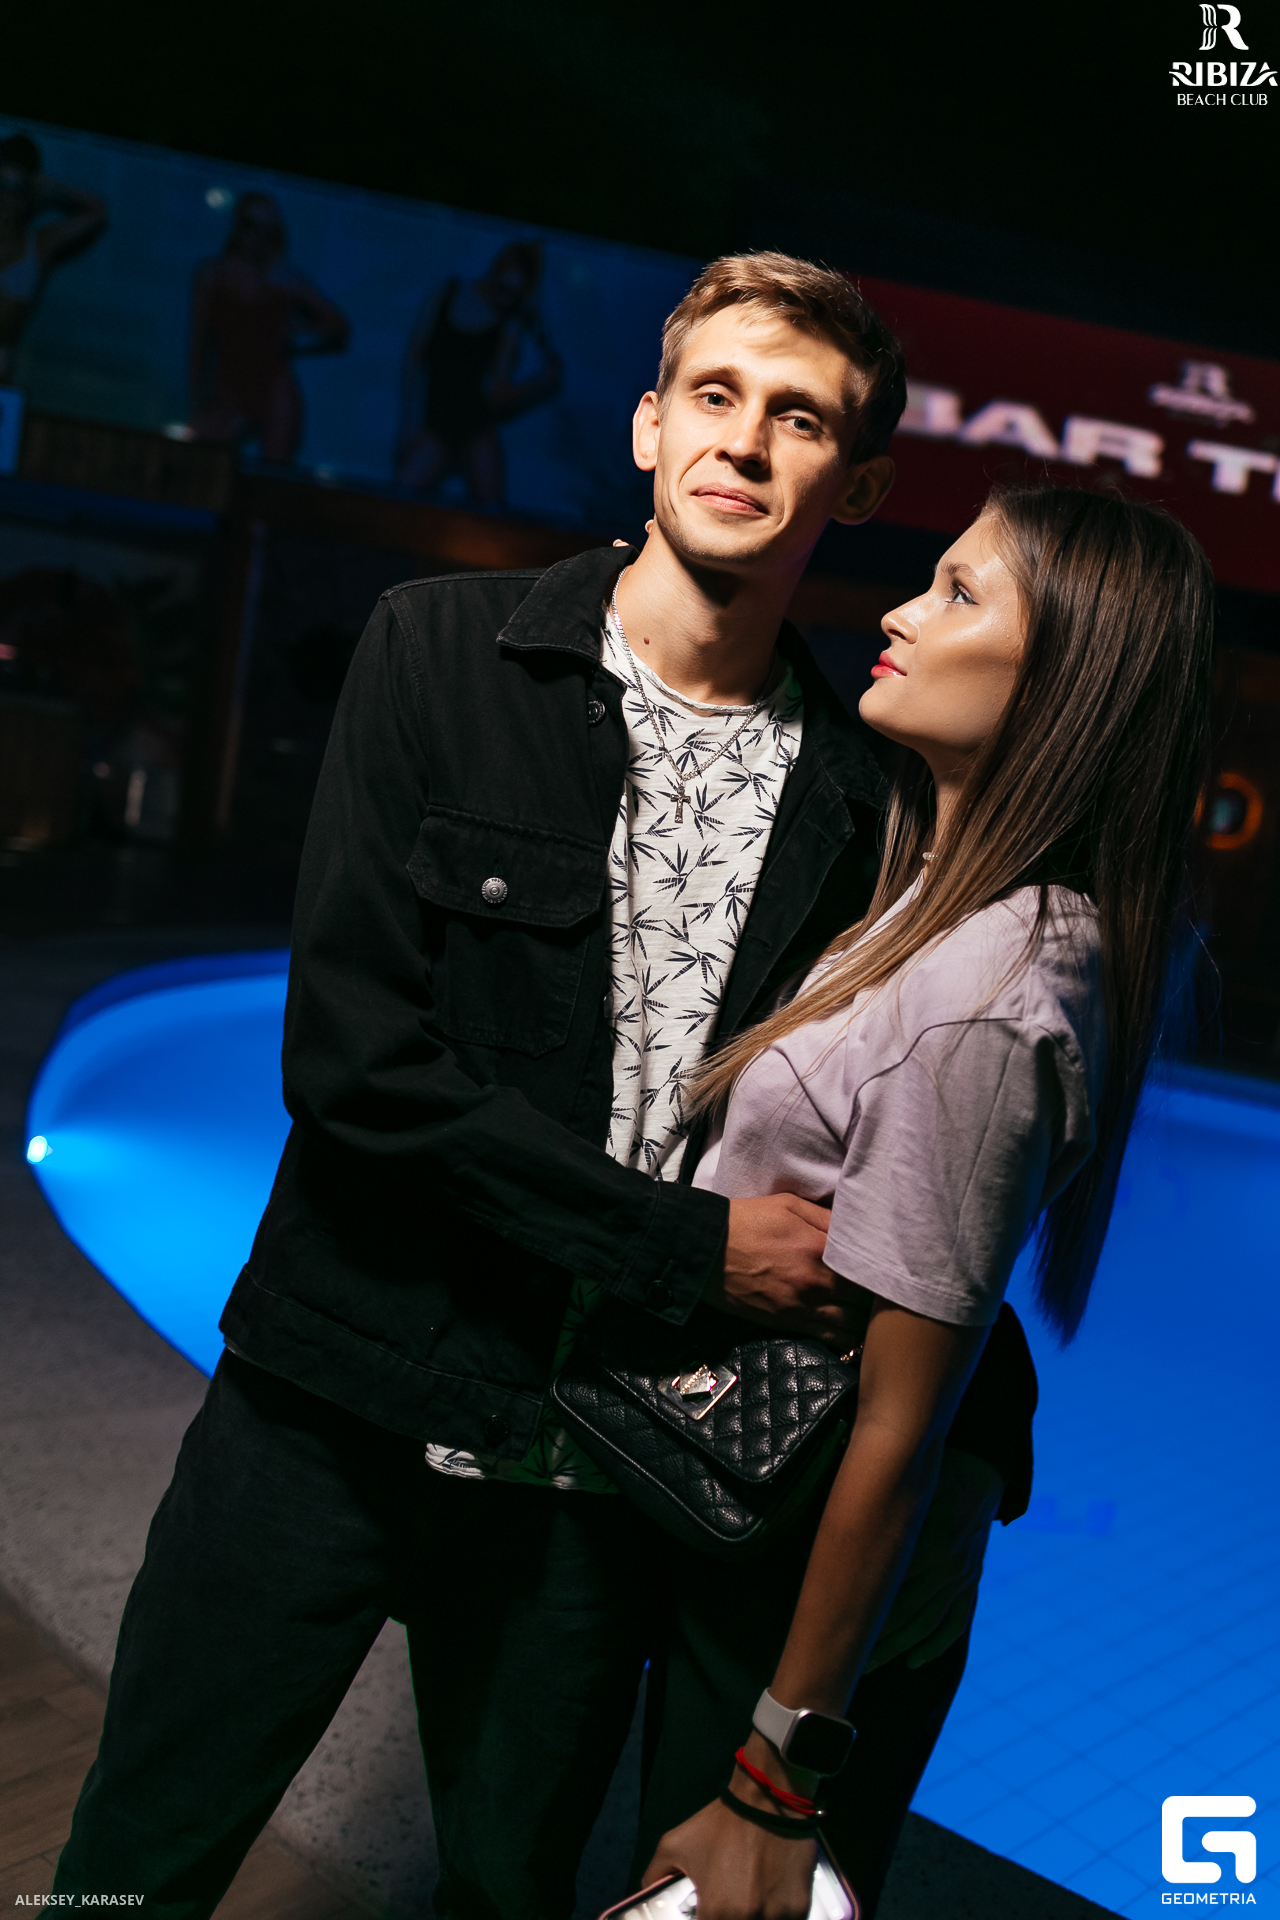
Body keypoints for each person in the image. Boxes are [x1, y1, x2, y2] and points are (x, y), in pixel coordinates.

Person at [53, 252, 1035, 1919]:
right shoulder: (438, 652)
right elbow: (353, 1068)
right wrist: (687, 1251)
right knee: (132, 1869)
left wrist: (963, 1423)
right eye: (714, 395)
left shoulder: (861, 799)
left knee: (507, 1895)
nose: (743, 441)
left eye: (798, 419)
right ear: (651, 428)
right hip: (331, 1409)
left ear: (856, 487)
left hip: (588, 1488)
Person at [634, 484, 1214, 1916]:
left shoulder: (985, 1002)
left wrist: (775, 1779)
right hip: (754, 1531)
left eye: (959, 593)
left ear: (1068, 683)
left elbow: (900, 1428)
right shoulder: (943, 902)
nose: (898, 610)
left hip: (798, 1597)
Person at [395, 238, 563, 504]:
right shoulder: (447, 293)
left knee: (492, 514)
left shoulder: (509, 325)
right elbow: (414, 356)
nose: (505, 297)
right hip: (436, 424)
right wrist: (408, 420)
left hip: (475, 426)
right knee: (400, 497)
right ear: (497, 270)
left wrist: (540, 383)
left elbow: (497, 393)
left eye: (514, 294)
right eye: (504, 288)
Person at [188, 191, 349, 463]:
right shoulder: (212, 275)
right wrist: (197, 401)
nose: (255, 236)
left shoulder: (282, 278)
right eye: (249, 225)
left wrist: (296, 335)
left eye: (266, 230)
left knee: (272, 475)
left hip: (274, 389)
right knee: (202, 461)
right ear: (237, 225)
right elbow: (197, 345)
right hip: (230, 389)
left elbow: (338, 325)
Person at [0, 132, 107, 381]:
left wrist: (50, 186)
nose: (6, 197)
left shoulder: (38, 245)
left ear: (29, 194)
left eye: (17, 188)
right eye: (1, 185)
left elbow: (98, 210)